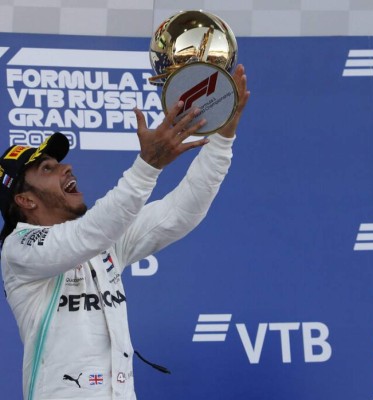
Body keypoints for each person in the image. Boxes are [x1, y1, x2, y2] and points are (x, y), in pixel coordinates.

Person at [0, 65, 250, 400]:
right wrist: (147, 166)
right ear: (25, 199)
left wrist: (222, 140)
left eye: (58, 162)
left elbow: (181, 211)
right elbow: (87, 235)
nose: (66, 167)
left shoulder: (104, 242)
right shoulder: (19, 249)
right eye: (47, 168)